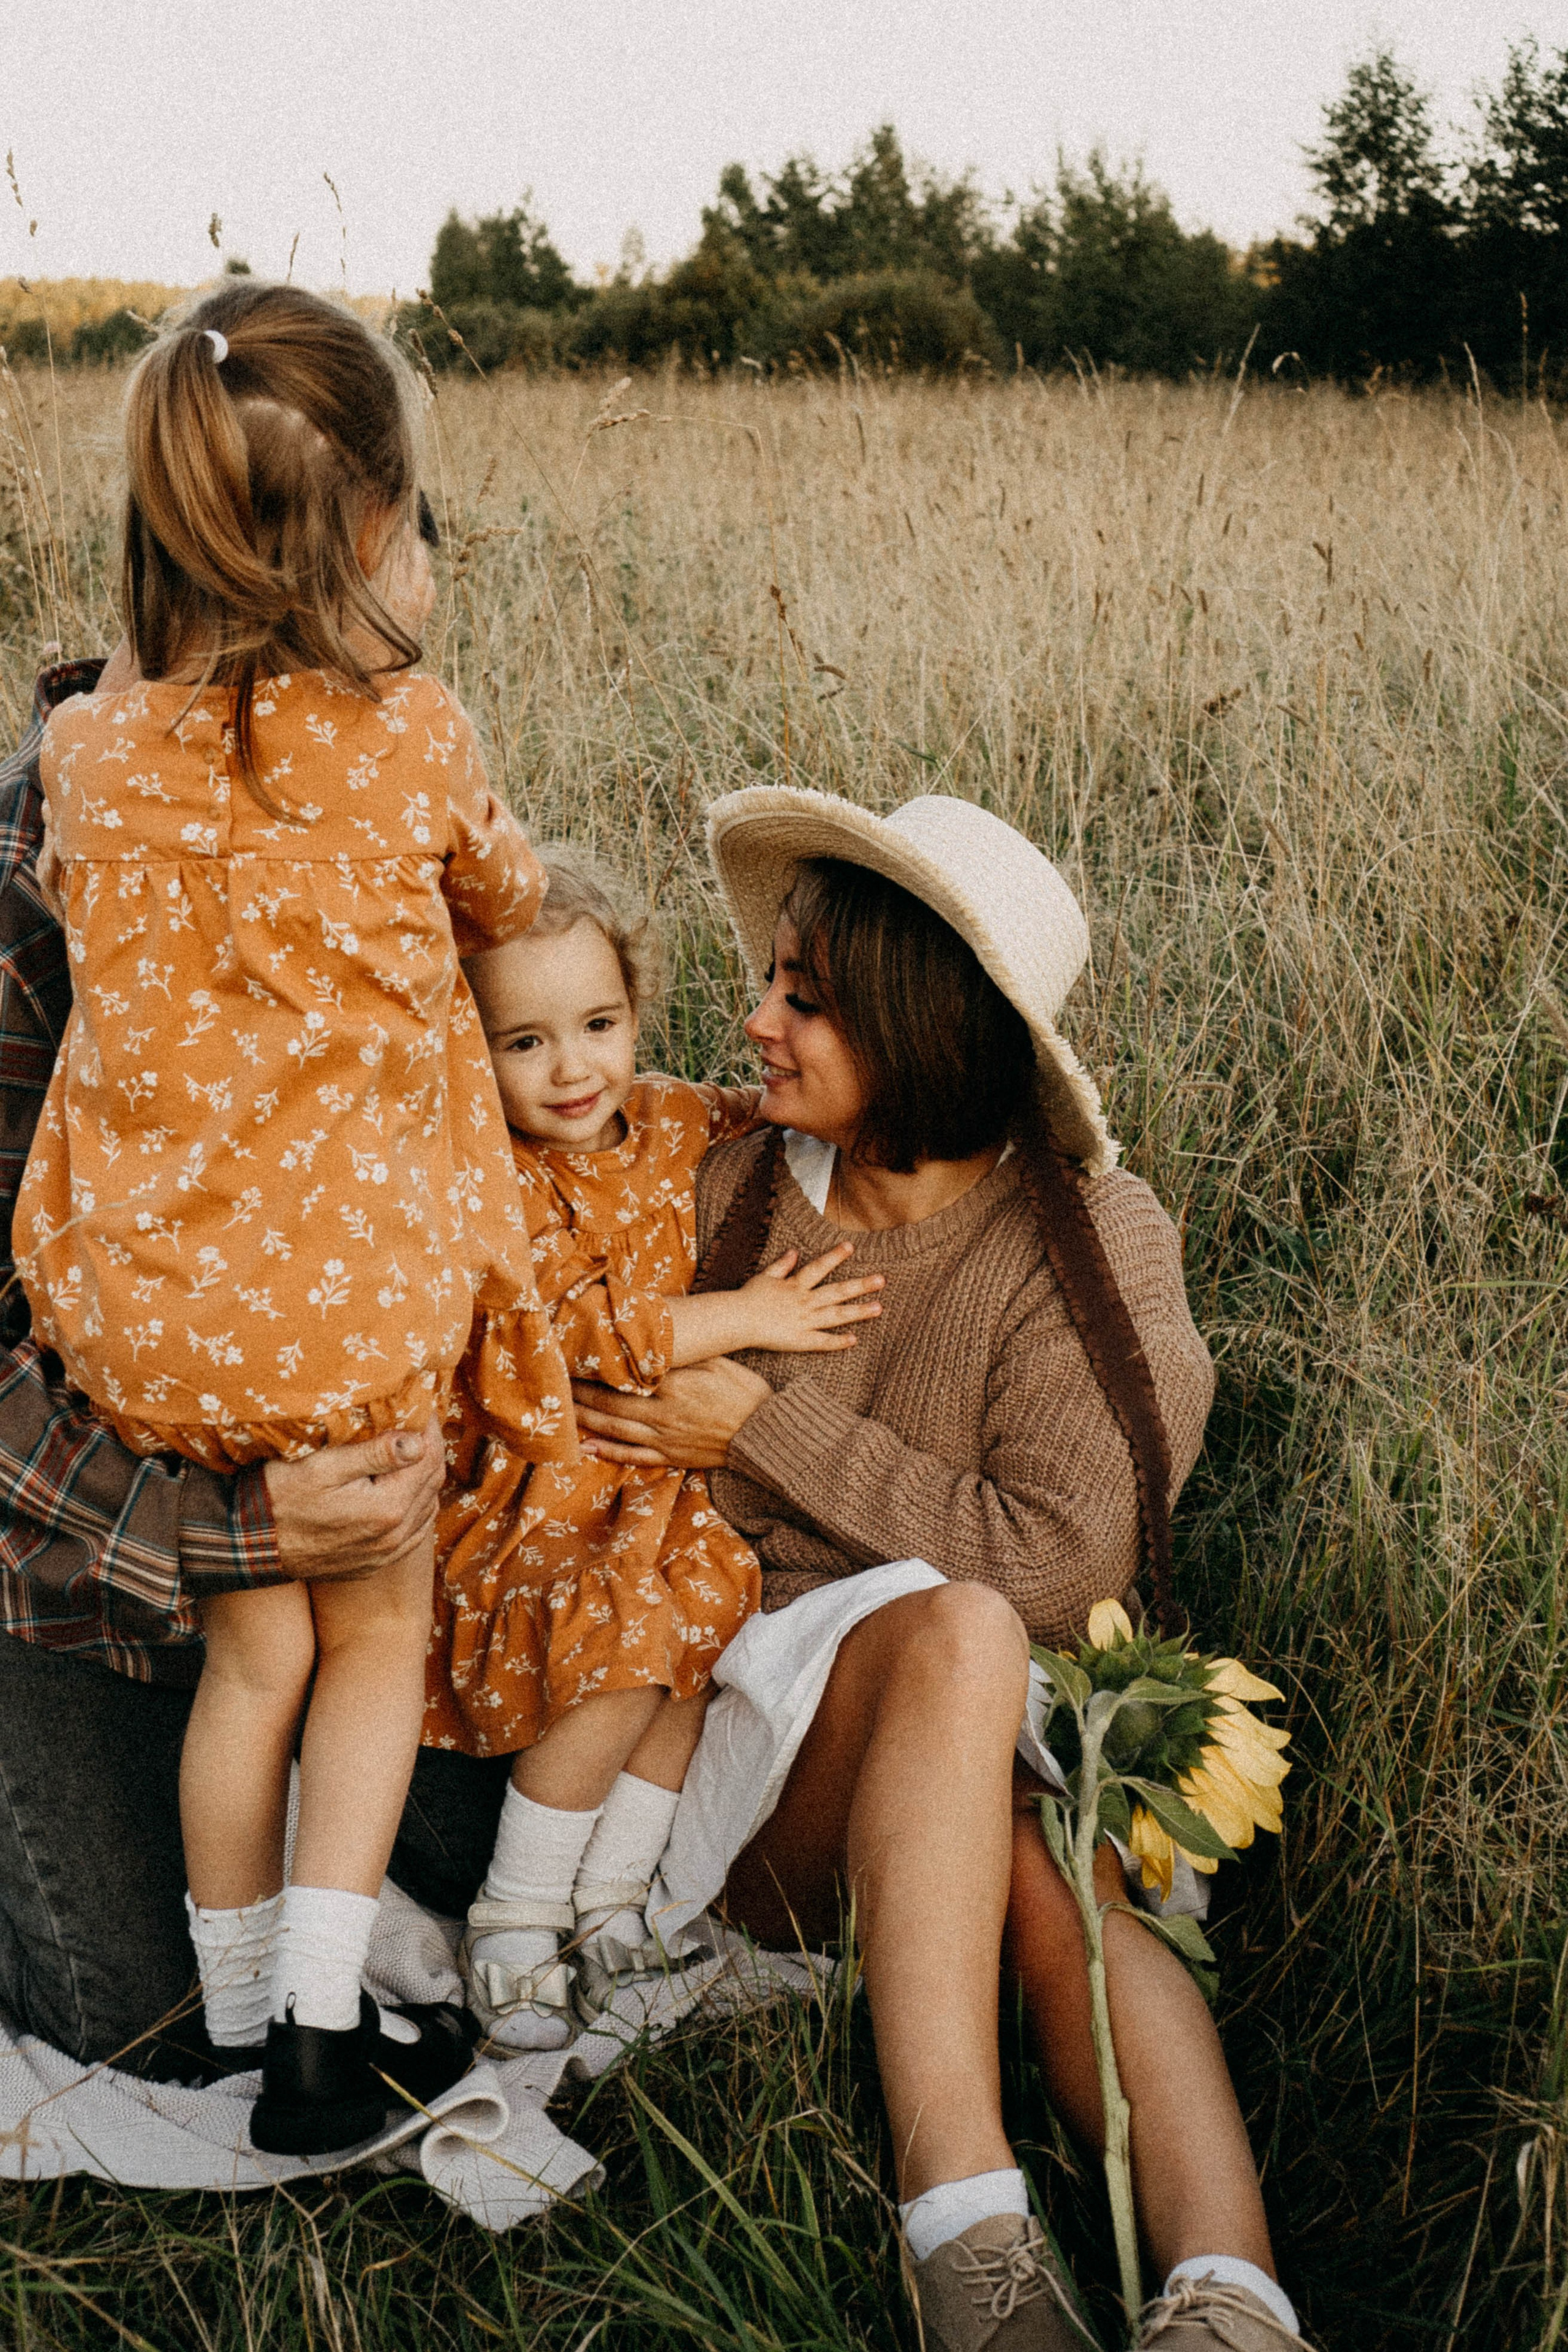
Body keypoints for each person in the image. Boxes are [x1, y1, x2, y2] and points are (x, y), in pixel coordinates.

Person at [562, 786, 1315, 2352]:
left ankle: (1230, 2301)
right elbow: (576, 1394)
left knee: (1055, 1840)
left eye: (805, 1000)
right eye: (768, 982)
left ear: (919, 1029)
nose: (753, 1023)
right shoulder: (713, 1179)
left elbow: (1067, 1559)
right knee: (957, 1632)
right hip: (739, 1763)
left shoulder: (1087, 1243)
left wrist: (761, 1428)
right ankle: (965, 2236)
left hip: (977, 1747)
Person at [13, 279, 574, 2157]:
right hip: (351, 1313)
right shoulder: (414, 735)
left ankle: (244, 2022)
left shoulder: (81, 762)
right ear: (360, 537)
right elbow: (501, 900)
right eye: (421, 526)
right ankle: (326, 2045)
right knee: (375, 1636)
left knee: (257, 1654)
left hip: (150, 1314)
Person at [0, 660, 460, 2104]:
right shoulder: (38, 890)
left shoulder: (383, 787)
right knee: (138, 2019)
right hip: (60, 1561)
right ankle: (278, 2010)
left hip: (327, 1453)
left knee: (449, 1799)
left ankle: (295, 2006)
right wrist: (228, 1532)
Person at [425, 849, 886, 2046]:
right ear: (466, 1051)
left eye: (597, 1023)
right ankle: (517, 1915)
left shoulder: (679, 1117)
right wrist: (747, 1319)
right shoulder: (486, 1181)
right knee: (625, 1635)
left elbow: (784, 1121)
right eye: (521, 1042)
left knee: (705, 1623)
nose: (572, 1067)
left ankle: (614, 1910)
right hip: (537, 1490)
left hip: (659, 1492)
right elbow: (556, 1338)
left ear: (637, 1010)